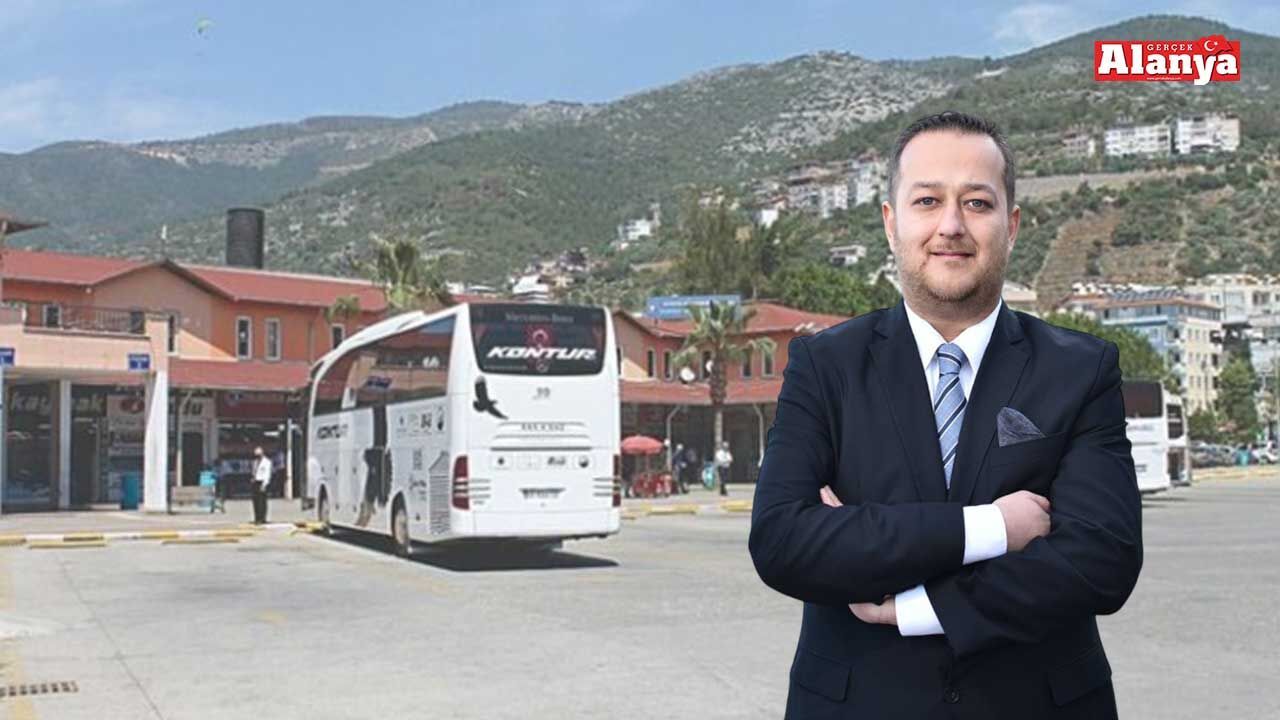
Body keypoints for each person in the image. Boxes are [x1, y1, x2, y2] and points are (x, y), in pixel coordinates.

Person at [748, 111, 1142, 719]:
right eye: (928, 200)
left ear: (1012, 225)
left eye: (977, 203)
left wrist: (915, 604)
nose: (951, 225)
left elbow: (1101, 560)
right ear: (891, 223)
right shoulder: (824, 366)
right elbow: (783, 542)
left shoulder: (1081, 369)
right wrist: (993, 528)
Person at [251, 446, 272, 524]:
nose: (257, 457)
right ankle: (257, 518)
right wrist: (253, 478)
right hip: (255, 482)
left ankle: (262, 518)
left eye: (258, 455)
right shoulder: (255, 462)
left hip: (262, 482)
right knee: (255, 501)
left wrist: (264, 484)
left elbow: (267, 474)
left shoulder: (267, 462)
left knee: (262, 501)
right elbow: (254, 471)